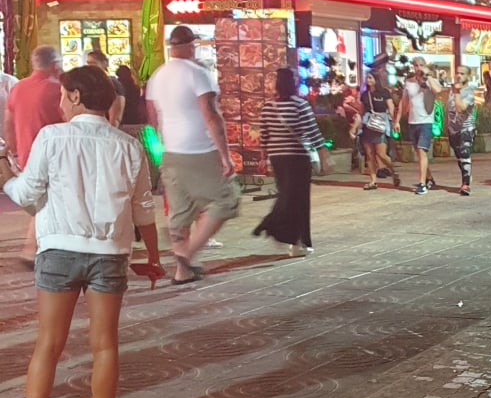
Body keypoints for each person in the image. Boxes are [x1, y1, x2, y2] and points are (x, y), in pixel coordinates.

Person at [0, 65, 164, 398]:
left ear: (75, 96)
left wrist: (5, 171)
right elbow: (144, 210)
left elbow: (26, 193)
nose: (60, 103)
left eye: (62, 96)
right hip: (109, 253)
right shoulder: (128, 146)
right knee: (104, 344)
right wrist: (154, 258)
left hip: (58, 250)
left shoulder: (52, 137)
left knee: (47, 345)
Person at [144, 24, 240, 284]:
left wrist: (161, 147)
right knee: (226, 200)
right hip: (199, 149)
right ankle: (188, 254)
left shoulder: (158, 76)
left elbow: (152, 118)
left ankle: (182, 271)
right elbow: (211, 115)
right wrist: (225, 155)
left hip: (171, 151)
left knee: (180, 211)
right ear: (189, 45)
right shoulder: (197, 74)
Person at [253, 67, 328, 254]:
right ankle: (294, 239)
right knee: (299, 199)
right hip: (297, 157)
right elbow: (313, 132)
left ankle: (290, 237)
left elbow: (264, 136)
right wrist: (324, 157)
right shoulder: (299, 105)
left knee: (286, 195)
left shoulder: (268, 106)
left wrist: (263, 158)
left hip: (277, 157)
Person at [3, 46, 62, 267]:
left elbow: (8, 122)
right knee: (47, 200)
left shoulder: (18, 88)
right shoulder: (57, 89)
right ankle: (32, 250)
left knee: (42, 200)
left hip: (26, 153)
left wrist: (14, 150)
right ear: (54, 64)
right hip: (53, 154)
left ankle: (33, 248)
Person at [398, 59, 436, 194]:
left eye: (421, 65)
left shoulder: (430, 80)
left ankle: (422, 184)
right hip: (413, 121)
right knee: (419, 154)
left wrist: (428, 77)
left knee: (421, 150)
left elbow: (438, 90)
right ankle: (429, 177)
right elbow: (403, 101)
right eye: (416, 65)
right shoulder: (409, 82)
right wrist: (397, 120)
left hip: (426, 121)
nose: (418, 68)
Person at [359, 64, 399, 189]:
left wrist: (394, 122)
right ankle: (373, 181)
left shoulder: (384, 93)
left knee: (381, 153)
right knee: (369, 154)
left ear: (376, 79)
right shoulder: (364, 94)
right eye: (367, 78)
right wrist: (358, 125)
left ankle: (393, 170)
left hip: (380, 125)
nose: (368, 80)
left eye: (370, 78)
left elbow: (391, 108)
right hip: (367, 125)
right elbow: (362, 110)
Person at [444, 68, 477, 195]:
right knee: (459, 157)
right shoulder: (451, 91)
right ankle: (466, 174)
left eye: (462, 74)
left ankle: (466, 184)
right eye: (457, 73)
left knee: (464, 152)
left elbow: (460, 108)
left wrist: (457, 92)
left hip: (466, 128)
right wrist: (446, 125)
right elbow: (449, 109)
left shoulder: (469, 92)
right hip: (453, 129)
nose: (458, 75)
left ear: (468, 76)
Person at [86, 49, 125, 127]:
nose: (89, 66)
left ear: (104, 64)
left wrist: (111, 129)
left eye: (93, 63)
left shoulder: (112, 83)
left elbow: (115, 117)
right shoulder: (92, 83)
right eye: (88, 63)